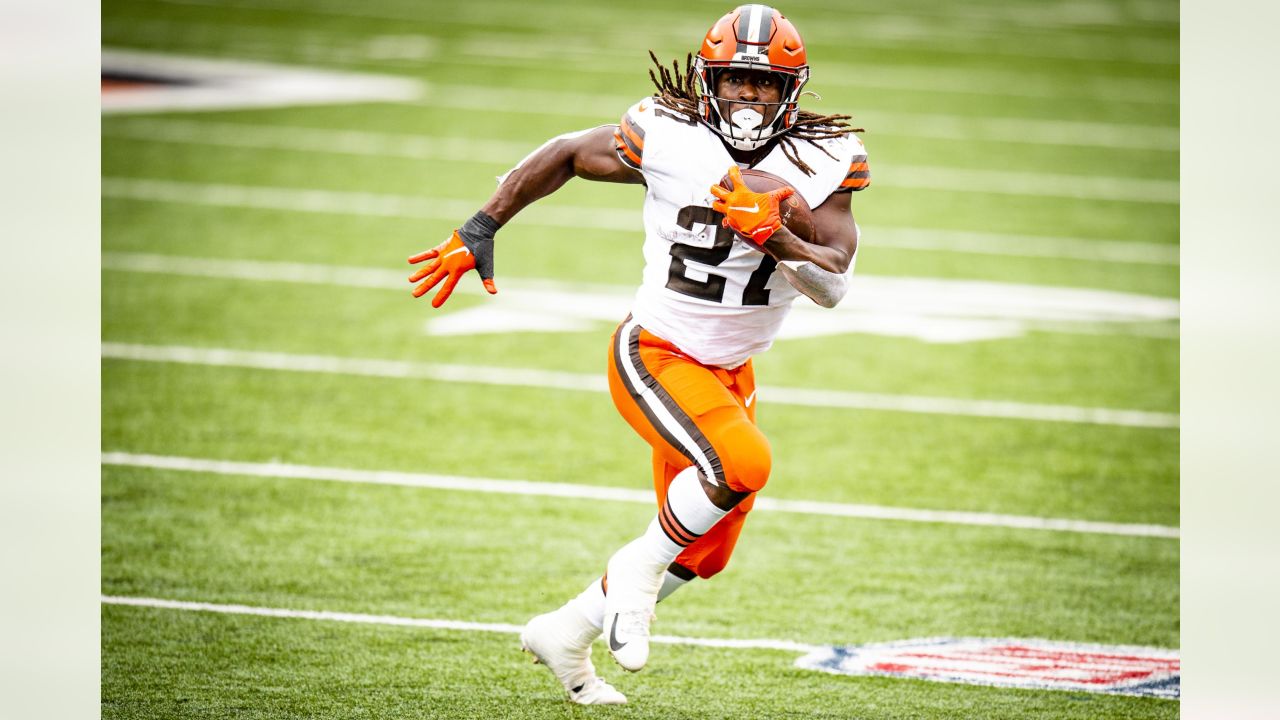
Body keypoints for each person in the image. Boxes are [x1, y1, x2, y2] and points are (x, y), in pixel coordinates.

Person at [408, 3, 870, 706]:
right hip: (656, 350)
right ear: (707, 80)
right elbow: (565, 152)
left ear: (793, 89)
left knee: (707, 549)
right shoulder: (669, 133)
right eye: (736, 82)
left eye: (765, 84)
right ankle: (635, 571)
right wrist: (480, 225)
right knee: (743, 466)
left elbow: (832, 282)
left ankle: (564, 630)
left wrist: (776, 236)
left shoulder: (825, 159)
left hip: (730, 370)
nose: (749, 98)